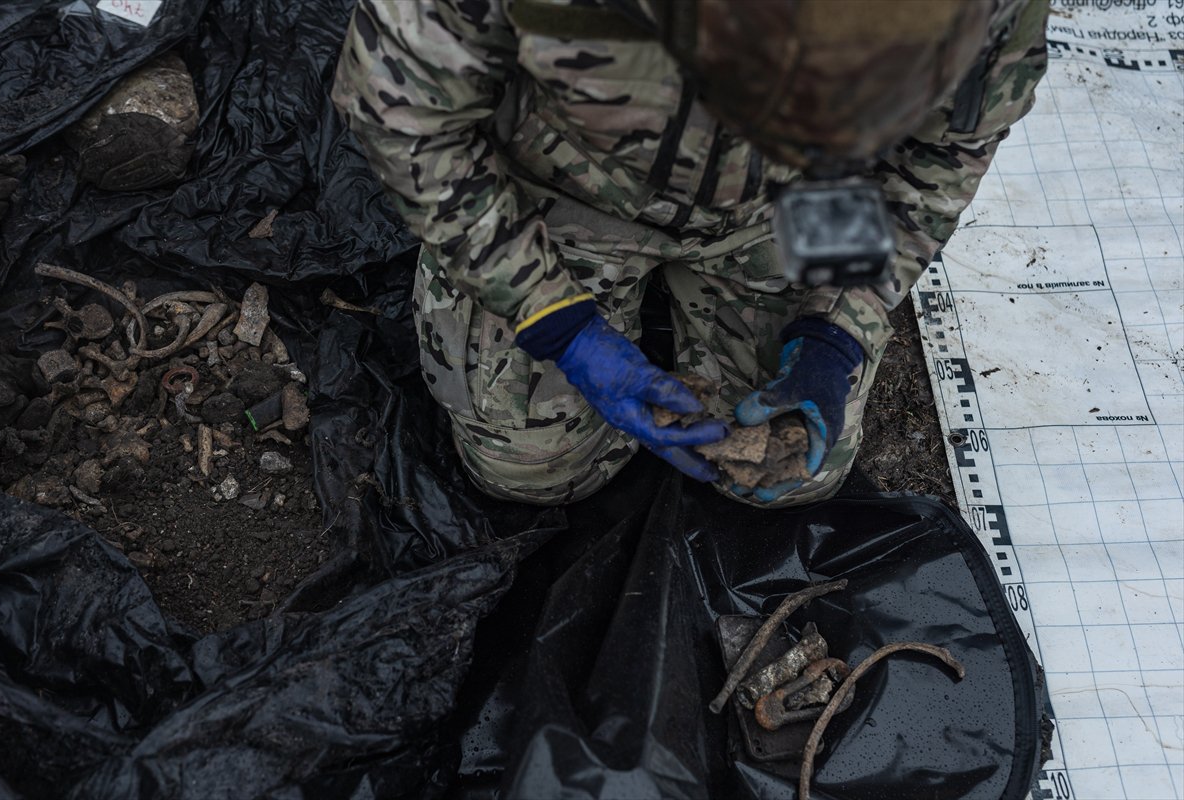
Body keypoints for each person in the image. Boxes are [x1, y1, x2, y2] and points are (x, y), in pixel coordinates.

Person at [332, 0, 1049, 507]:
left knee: (795, 472)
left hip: (799, 197)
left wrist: (841, 323)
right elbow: (406, 122)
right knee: (531, 475)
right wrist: (555, 321)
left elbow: (944, 153)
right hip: (562, 186)